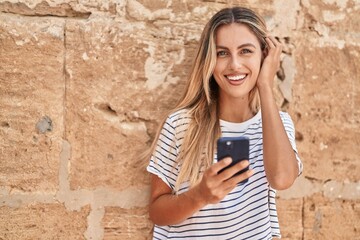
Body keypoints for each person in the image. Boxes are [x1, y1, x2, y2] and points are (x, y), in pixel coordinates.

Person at [146, 6, 303, 239]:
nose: (235, 65)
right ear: (209, 60)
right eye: (222, 53)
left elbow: (281, 179)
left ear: (265, 55)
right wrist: (198, 196)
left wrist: (266, 86)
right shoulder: (181, 125)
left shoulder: (278, 124)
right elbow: (157, 212)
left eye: (246, 51)